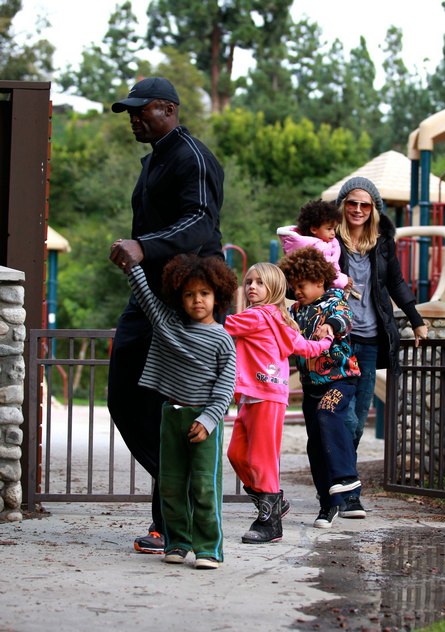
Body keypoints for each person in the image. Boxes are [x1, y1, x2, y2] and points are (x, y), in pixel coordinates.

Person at [108, 76, 225, 554]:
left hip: (186, 295)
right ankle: (177, 486)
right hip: (148, 293)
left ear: (168, 109)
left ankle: (169, 524)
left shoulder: (192, 157)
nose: (134, 118)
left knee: (173, 406)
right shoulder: (156, 158)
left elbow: (200, 222)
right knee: (123, 396)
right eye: (131, 112)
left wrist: (144, 245)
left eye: (142, 110)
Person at [113, 253, 237, 569]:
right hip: (172, 417)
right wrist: (132, 267)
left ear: (218, 296)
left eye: (204, 293)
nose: (197, 300)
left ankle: (208, 549)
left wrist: (209, 420)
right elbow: (146, 297)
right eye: (189, 294)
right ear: (179, 297)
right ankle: (177, 542)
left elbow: (226, 388)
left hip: (204, 422)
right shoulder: (169, 326)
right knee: (170, 485)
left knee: (204, 487)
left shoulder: (223, 339)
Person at [335, 176, 428, 519]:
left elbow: (396, 283)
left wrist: (416, 318)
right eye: (352, 203)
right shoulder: (330, 242)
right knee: (337, 416)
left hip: (372, 340)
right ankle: (344, 489)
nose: (358, 210)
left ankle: (343, 484)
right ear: (343, 205)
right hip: (337, 341)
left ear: (373, 209)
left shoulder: (383, 244)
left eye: (365, 204)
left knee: (358, 420)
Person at [223, 263, 335, 543]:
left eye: (260, 283)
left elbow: (223, 325)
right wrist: (324, 341)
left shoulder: (258, 316)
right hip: (252, 395)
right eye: (249, 281)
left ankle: (270, 523)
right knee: (237, 454)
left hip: (267, 395)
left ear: (274, 289)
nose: (252, 287)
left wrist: (191, 312)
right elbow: (305, 347)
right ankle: (273, 500)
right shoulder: (276, 318)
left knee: (262, 459)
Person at [278, 247, 362, 529]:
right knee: (315, 443)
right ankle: (328, 504)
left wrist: (329, 327)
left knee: (329, 412)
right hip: (311, 385)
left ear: (319, 281)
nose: (296, 290)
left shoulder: (334, 301)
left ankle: (346, 478)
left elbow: (344, 319)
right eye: (293, 285)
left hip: (340, 380)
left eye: (301, 285)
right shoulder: (294, 311)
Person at [276, 199, 351, 291]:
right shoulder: (318, 247)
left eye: (334, 229)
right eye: (329, 229)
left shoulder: (305, 244)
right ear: (314, 229)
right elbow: (326, 272)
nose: (333, 233)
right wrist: (344, 281)